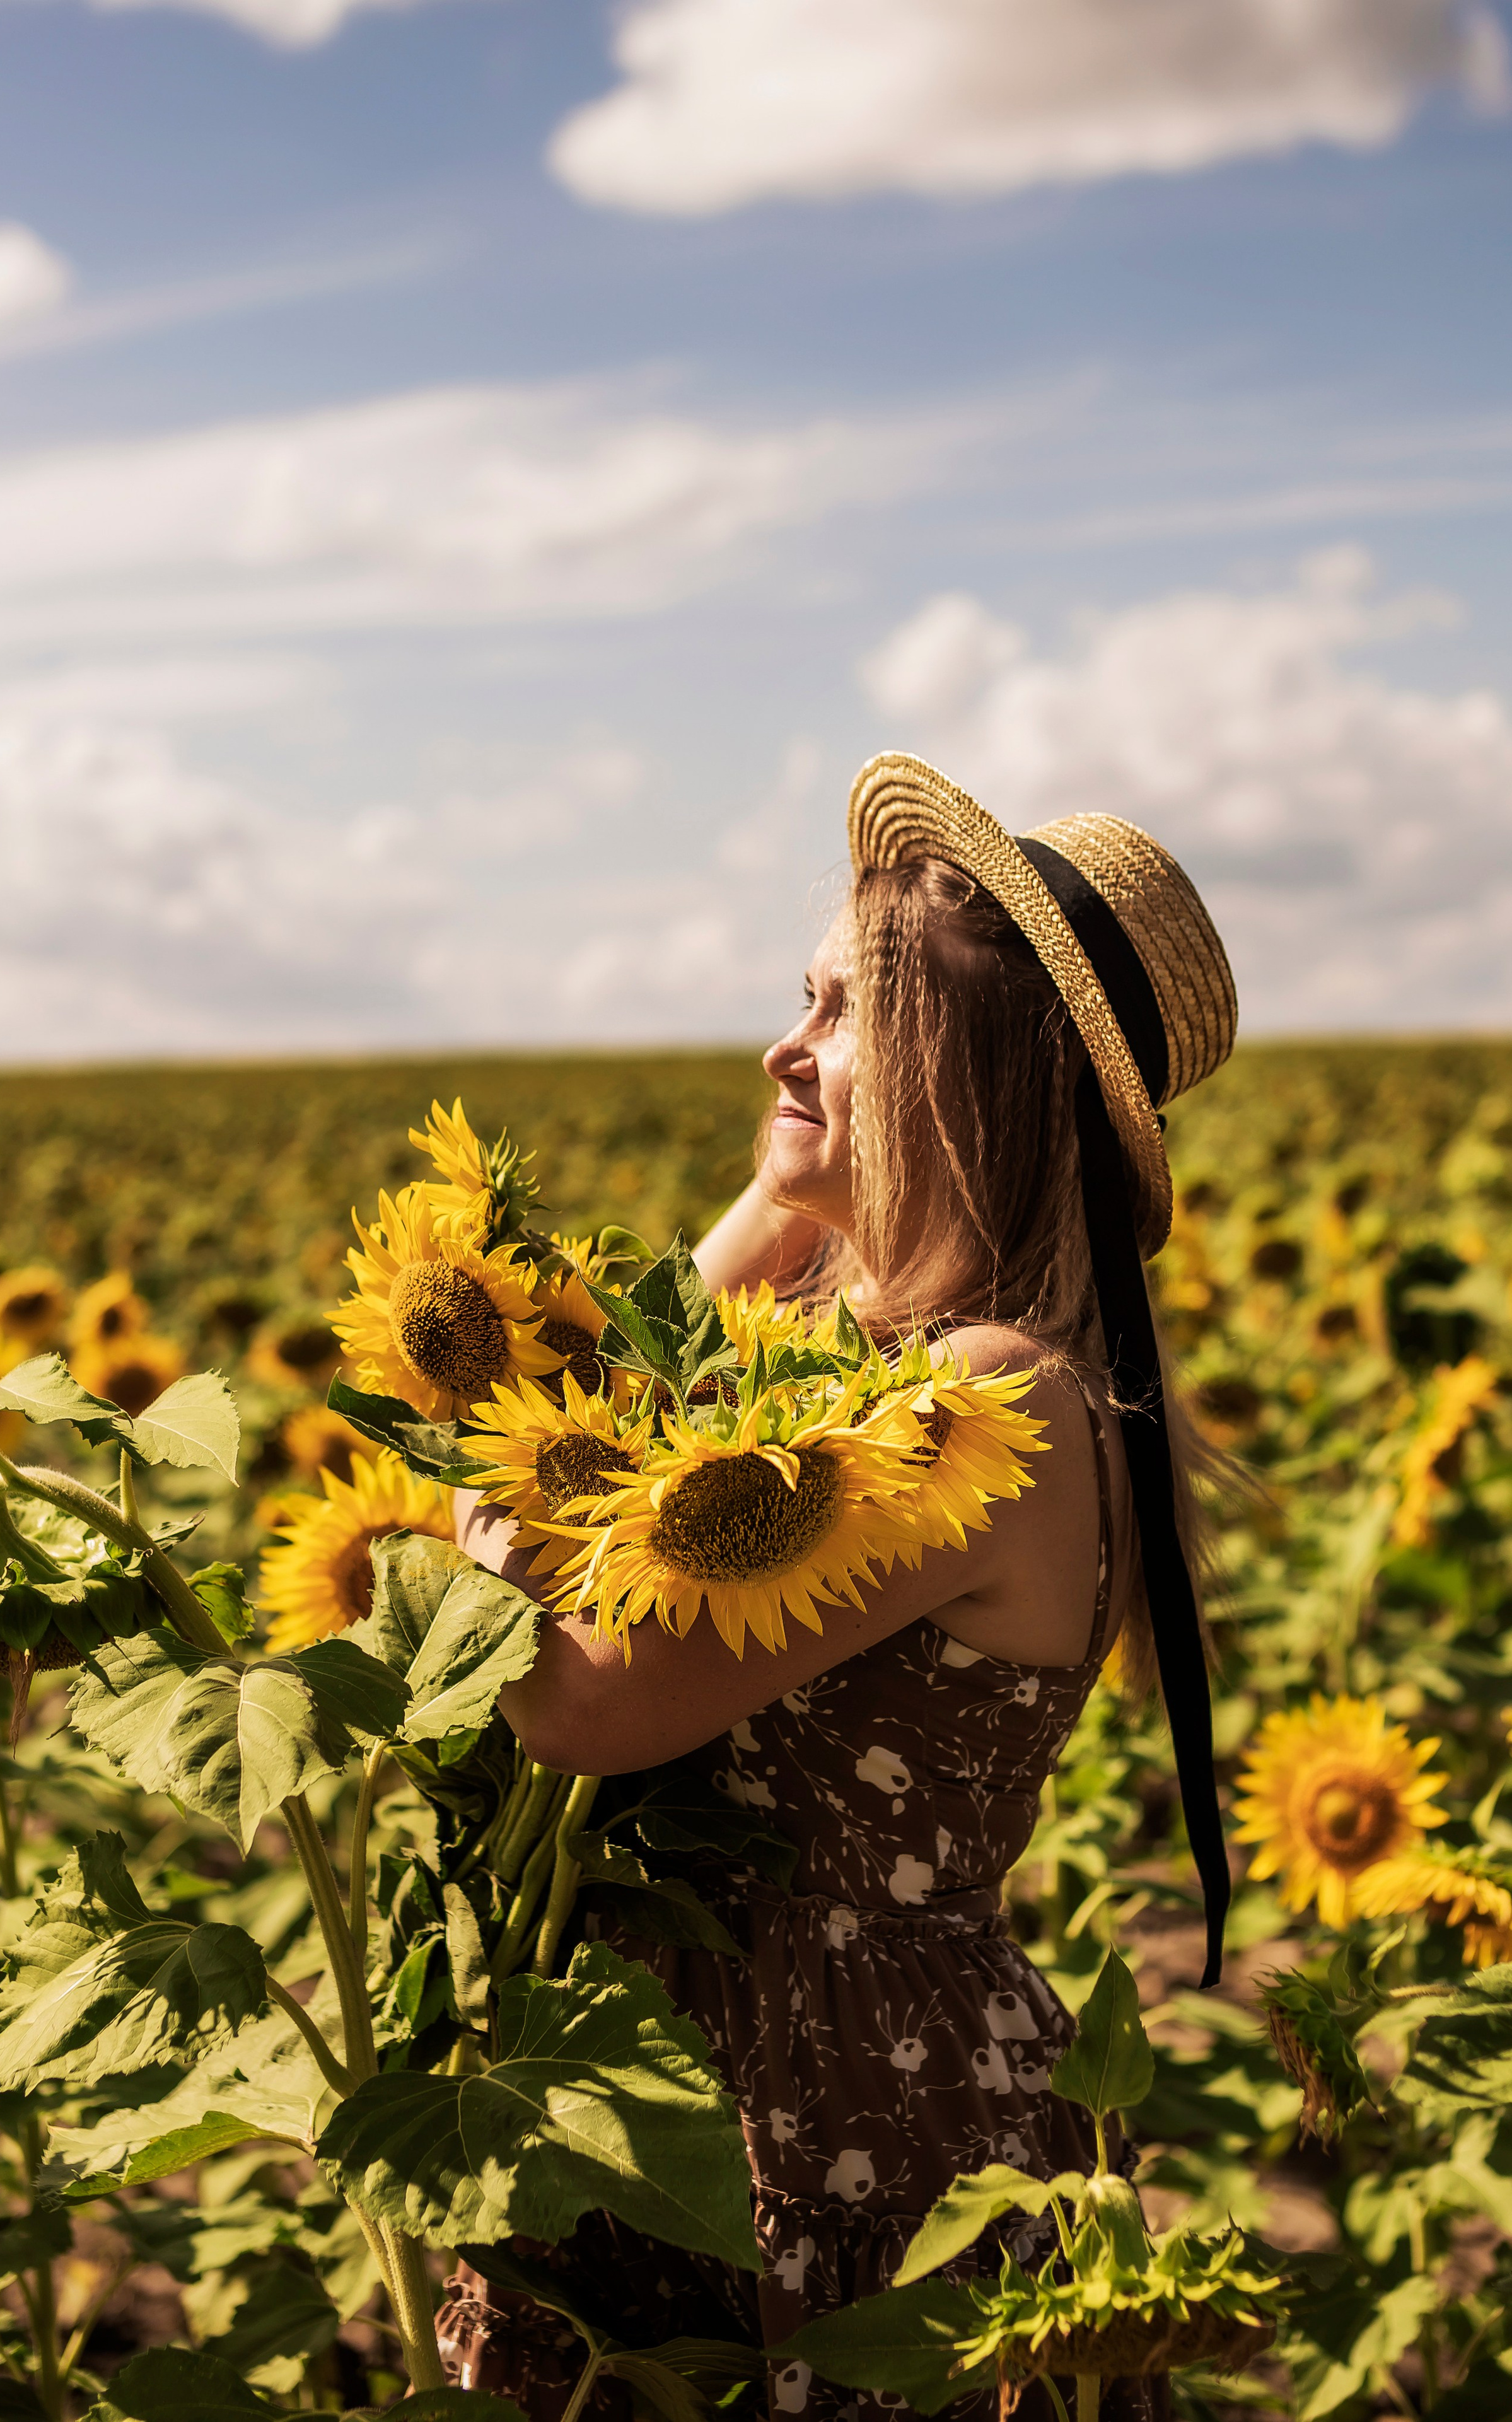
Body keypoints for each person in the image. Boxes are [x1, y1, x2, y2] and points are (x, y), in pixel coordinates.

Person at [437, 753, 1239, 2421]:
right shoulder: (867, 1340)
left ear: (971, 1074)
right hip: (730, 2059)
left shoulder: (981, 1406)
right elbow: (623, 1370)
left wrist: (478, 1544)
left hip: (840, 2109)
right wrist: (811, 1171)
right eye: (795, 1000)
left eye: (843, 1013)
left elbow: (590, 1697)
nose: (780, 1047)